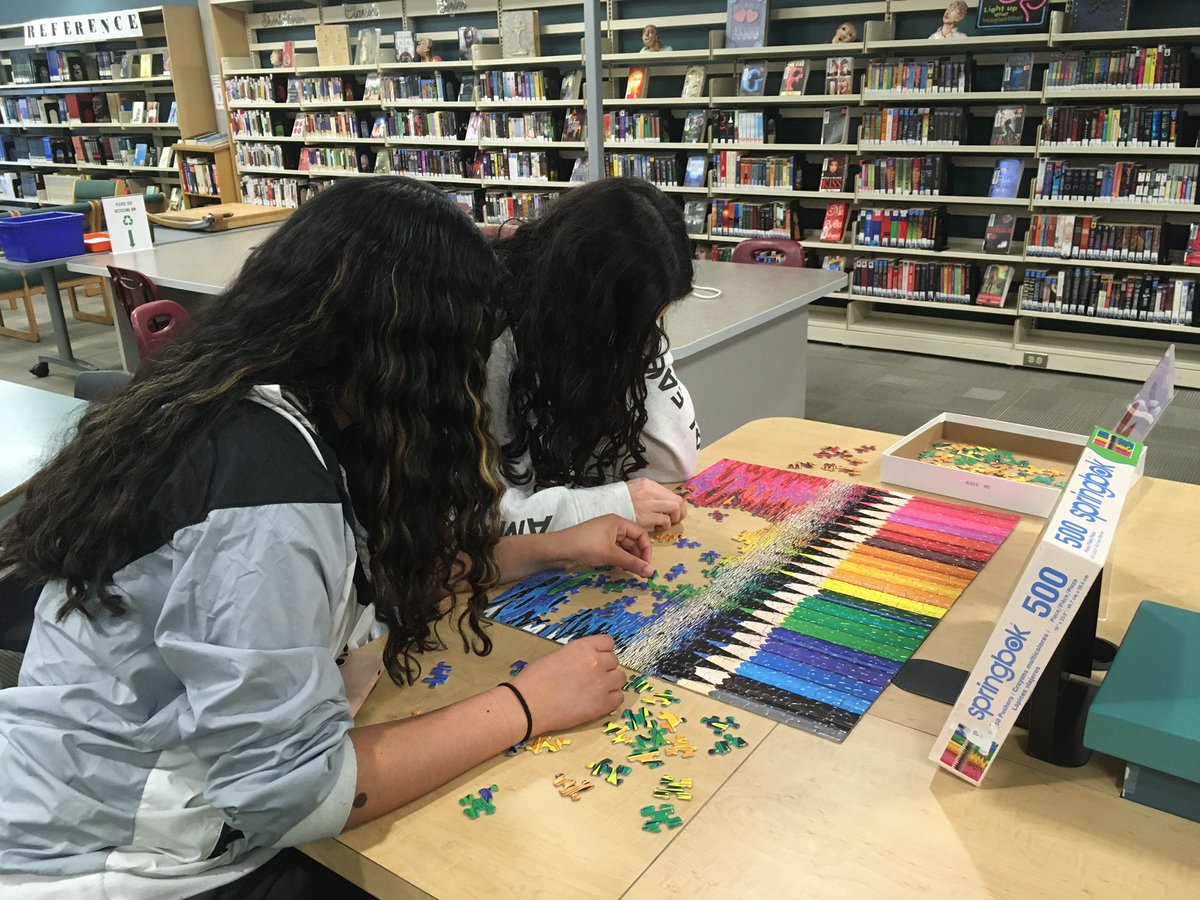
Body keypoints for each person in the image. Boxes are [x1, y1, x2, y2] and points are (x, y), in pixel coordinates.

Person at [0, 176, 654, 899]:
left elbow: (378, 569)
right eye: (462, 361)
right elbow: (291, 794)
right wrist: (529, 704)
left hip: (104, 797)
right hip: (120, 864)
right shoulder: (263, 483)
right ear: (408, 360)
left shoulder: (256, 406)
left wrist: (552, 547)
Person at [488, 178, 699, 536]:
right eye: (635, 327)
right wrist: (607, 506)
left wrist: (639, 347)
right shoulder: (494, 337)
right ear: (590, 307)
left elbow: (675, 463)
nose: (644, 340)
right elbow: (477, 521)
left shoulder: (612, 335)